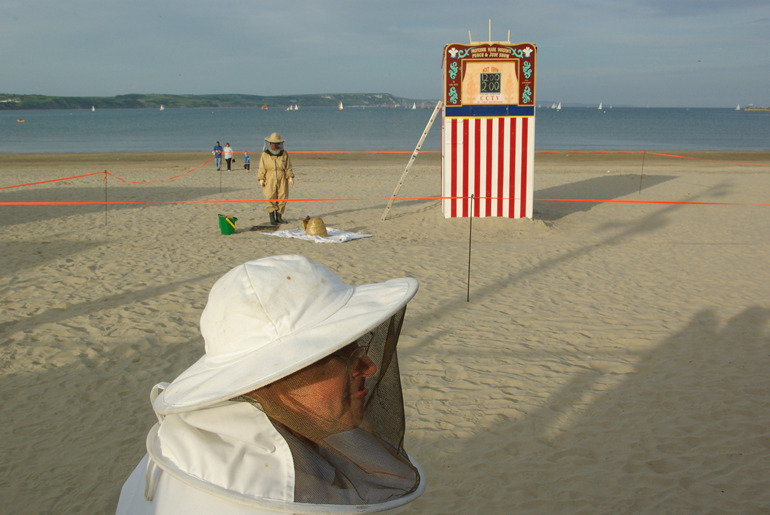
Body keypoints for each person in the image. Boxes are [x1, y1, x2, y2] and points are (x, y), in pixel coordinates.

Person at [116, 255, 425, 514]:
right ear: (273, 379)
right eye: (344, 357)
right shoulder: (252, 502)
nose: (369, 368)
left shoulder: (180, 449)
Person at [258, 132, 294, 225]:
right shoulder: (265, 154)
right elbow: (262, 167)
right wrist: (261, 178)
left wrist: (290, 177)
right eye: (274, 143)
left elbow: (288, 166)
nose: (275, 145)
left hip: (282, 176)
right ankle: (272, 218)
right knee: (270, 195)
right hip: (270, 176)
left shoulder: (284, 153)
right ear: (270, 143)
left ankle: (279, 217)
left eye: (277, 143)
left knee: (282, 196)